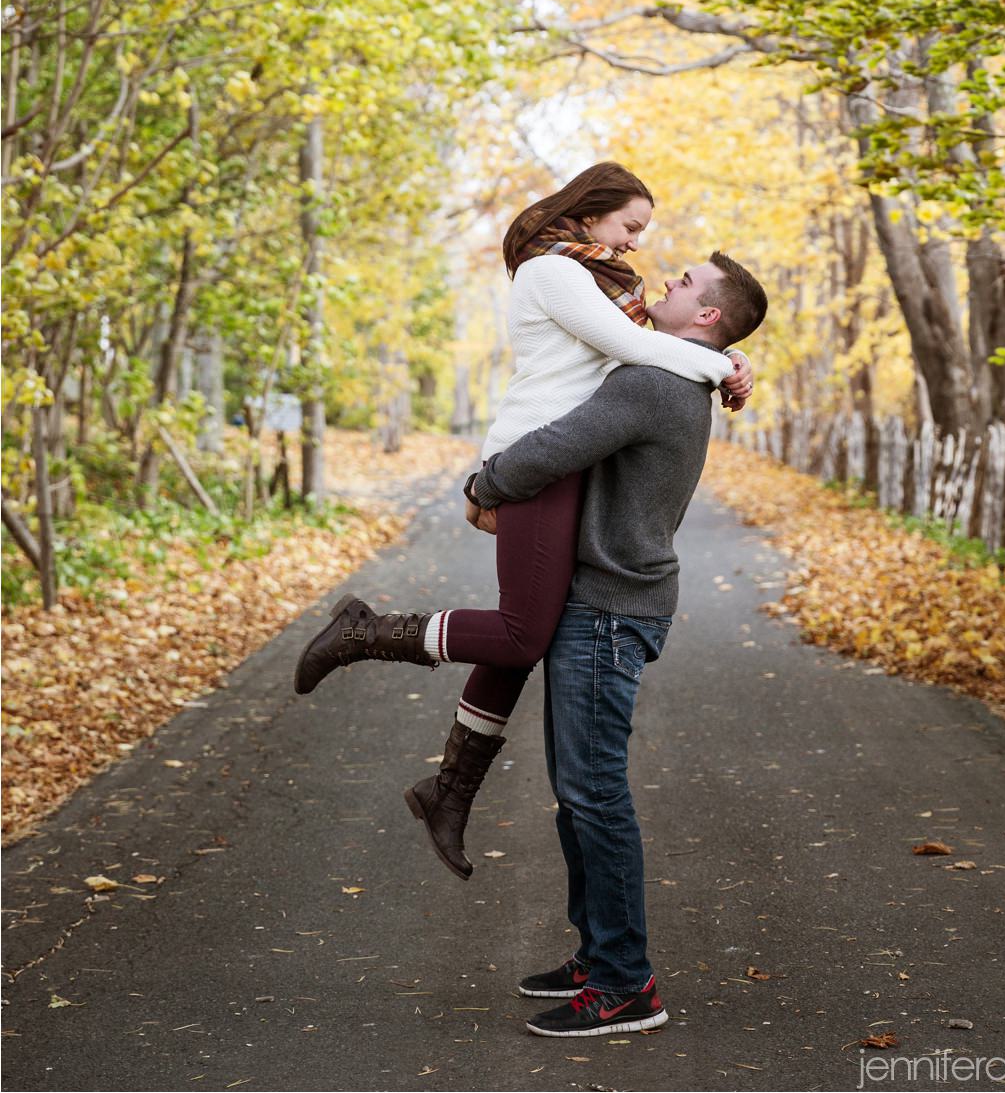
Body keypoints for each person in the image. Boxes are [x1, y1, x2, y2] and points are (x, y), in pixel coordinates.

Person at [292, 163, 753, 876]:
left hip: (563, 465)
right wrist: (721, 363)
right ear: (593, 211)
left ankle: (450, 790)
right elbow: (639, 353)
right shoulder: (554, 274)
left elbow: (658, 347)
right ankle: (364, 631)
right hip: (535, 456)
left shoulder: (606, 286)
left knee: (525, 638)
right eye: (631, 226)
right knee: (521, 630)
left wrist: (726, 353)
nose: (636, 245)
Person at [470, 249, 769, 1037]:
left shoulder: (655, 382)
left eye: (688, 285)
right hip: (610, 604)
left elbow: (554, 446)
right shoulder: (682, 369)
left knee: (594, 794)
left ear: (707, 316)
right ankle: (598, 953)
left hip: (607, 610)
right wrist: (734, 361)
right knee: (580, 794)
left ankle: (627, 983)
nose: (668, 280)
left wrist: (485, 482)